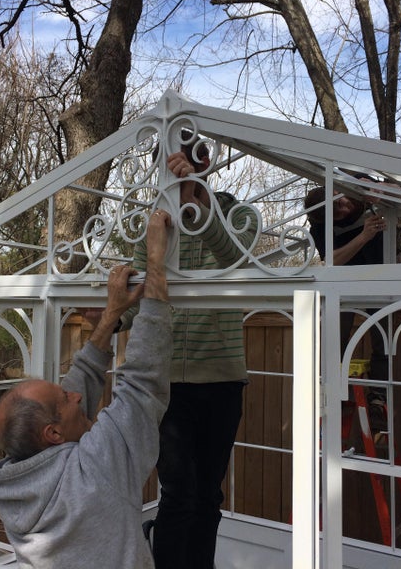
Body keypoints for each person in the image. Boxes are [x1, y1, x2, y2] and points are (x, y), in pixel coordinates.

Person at [0, 210, 173, 569]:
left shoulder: (13, 487)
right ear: (53, 434)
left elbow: (76, 387)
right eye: (65, 398)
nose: (76, 395)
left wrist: (111, 315)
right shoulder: (96, 471)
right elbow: (142, 382)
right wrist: (155, 262)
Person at [120, 131, 258, 569]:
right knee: (178, 493)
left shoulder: (236, 212)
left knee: (208, 495)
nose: (174, 167)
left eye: (184, 158)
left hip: (221, 378)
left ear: (205, 162)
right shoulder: (154, 223)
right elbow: (141, 290)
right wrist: (113, 317)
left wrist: (197, 200)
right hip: (168, 385)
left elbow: (237, 258)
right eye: (166, 160)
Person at [304, 176, 390, 432]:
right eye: (337, 213)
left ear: (337, 192)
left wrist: (379, 190)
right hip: (342, 287)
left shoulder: (358, 189)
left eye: (340, 204)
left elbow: (399, 191)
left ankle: (378, 399)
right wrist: (364, 236)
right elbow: (331, 260)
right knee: (334, 340)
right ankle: (333, 394)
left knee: (383, 340)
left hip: (381, 280)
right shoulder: (320, 225)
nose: (344, 209)